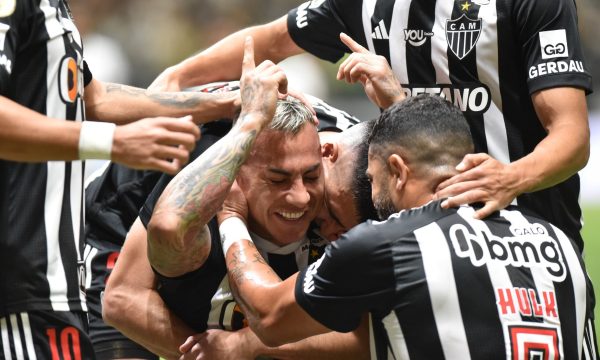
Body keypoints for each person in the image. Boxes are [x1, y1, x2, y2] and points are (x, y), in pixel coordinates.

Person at [151, 0, 592, 251]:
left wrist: (509, 178)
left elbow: (572, 137)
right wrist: (174, 80)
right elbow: (270, 39)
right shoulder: (361, 4)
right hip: (426, 245)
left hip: (533, 237)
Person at [217, 94, 599, 359]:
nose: (373, 199)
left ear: (397, 170)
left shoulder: (388, 245)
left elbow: (267, 313)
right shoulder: (558, 242)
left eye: (373, 176)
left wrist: (231, 216)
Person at [103, 39, 376, 359]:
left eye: (312, 177)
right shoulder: (211, 159)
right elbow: (122, 297)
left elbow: (373, 335)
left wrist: (243, 347)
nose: (302, 197)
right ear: (237, 175)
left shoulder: (368, 171)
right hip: (115, 221)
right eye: (278, 179)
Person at [0, 1, 240, 358]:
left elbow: (94, 98)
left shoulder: (54, 7)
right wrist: (112, 142)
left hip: (52, 278)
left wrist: (220, 102)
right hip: (17, 279)